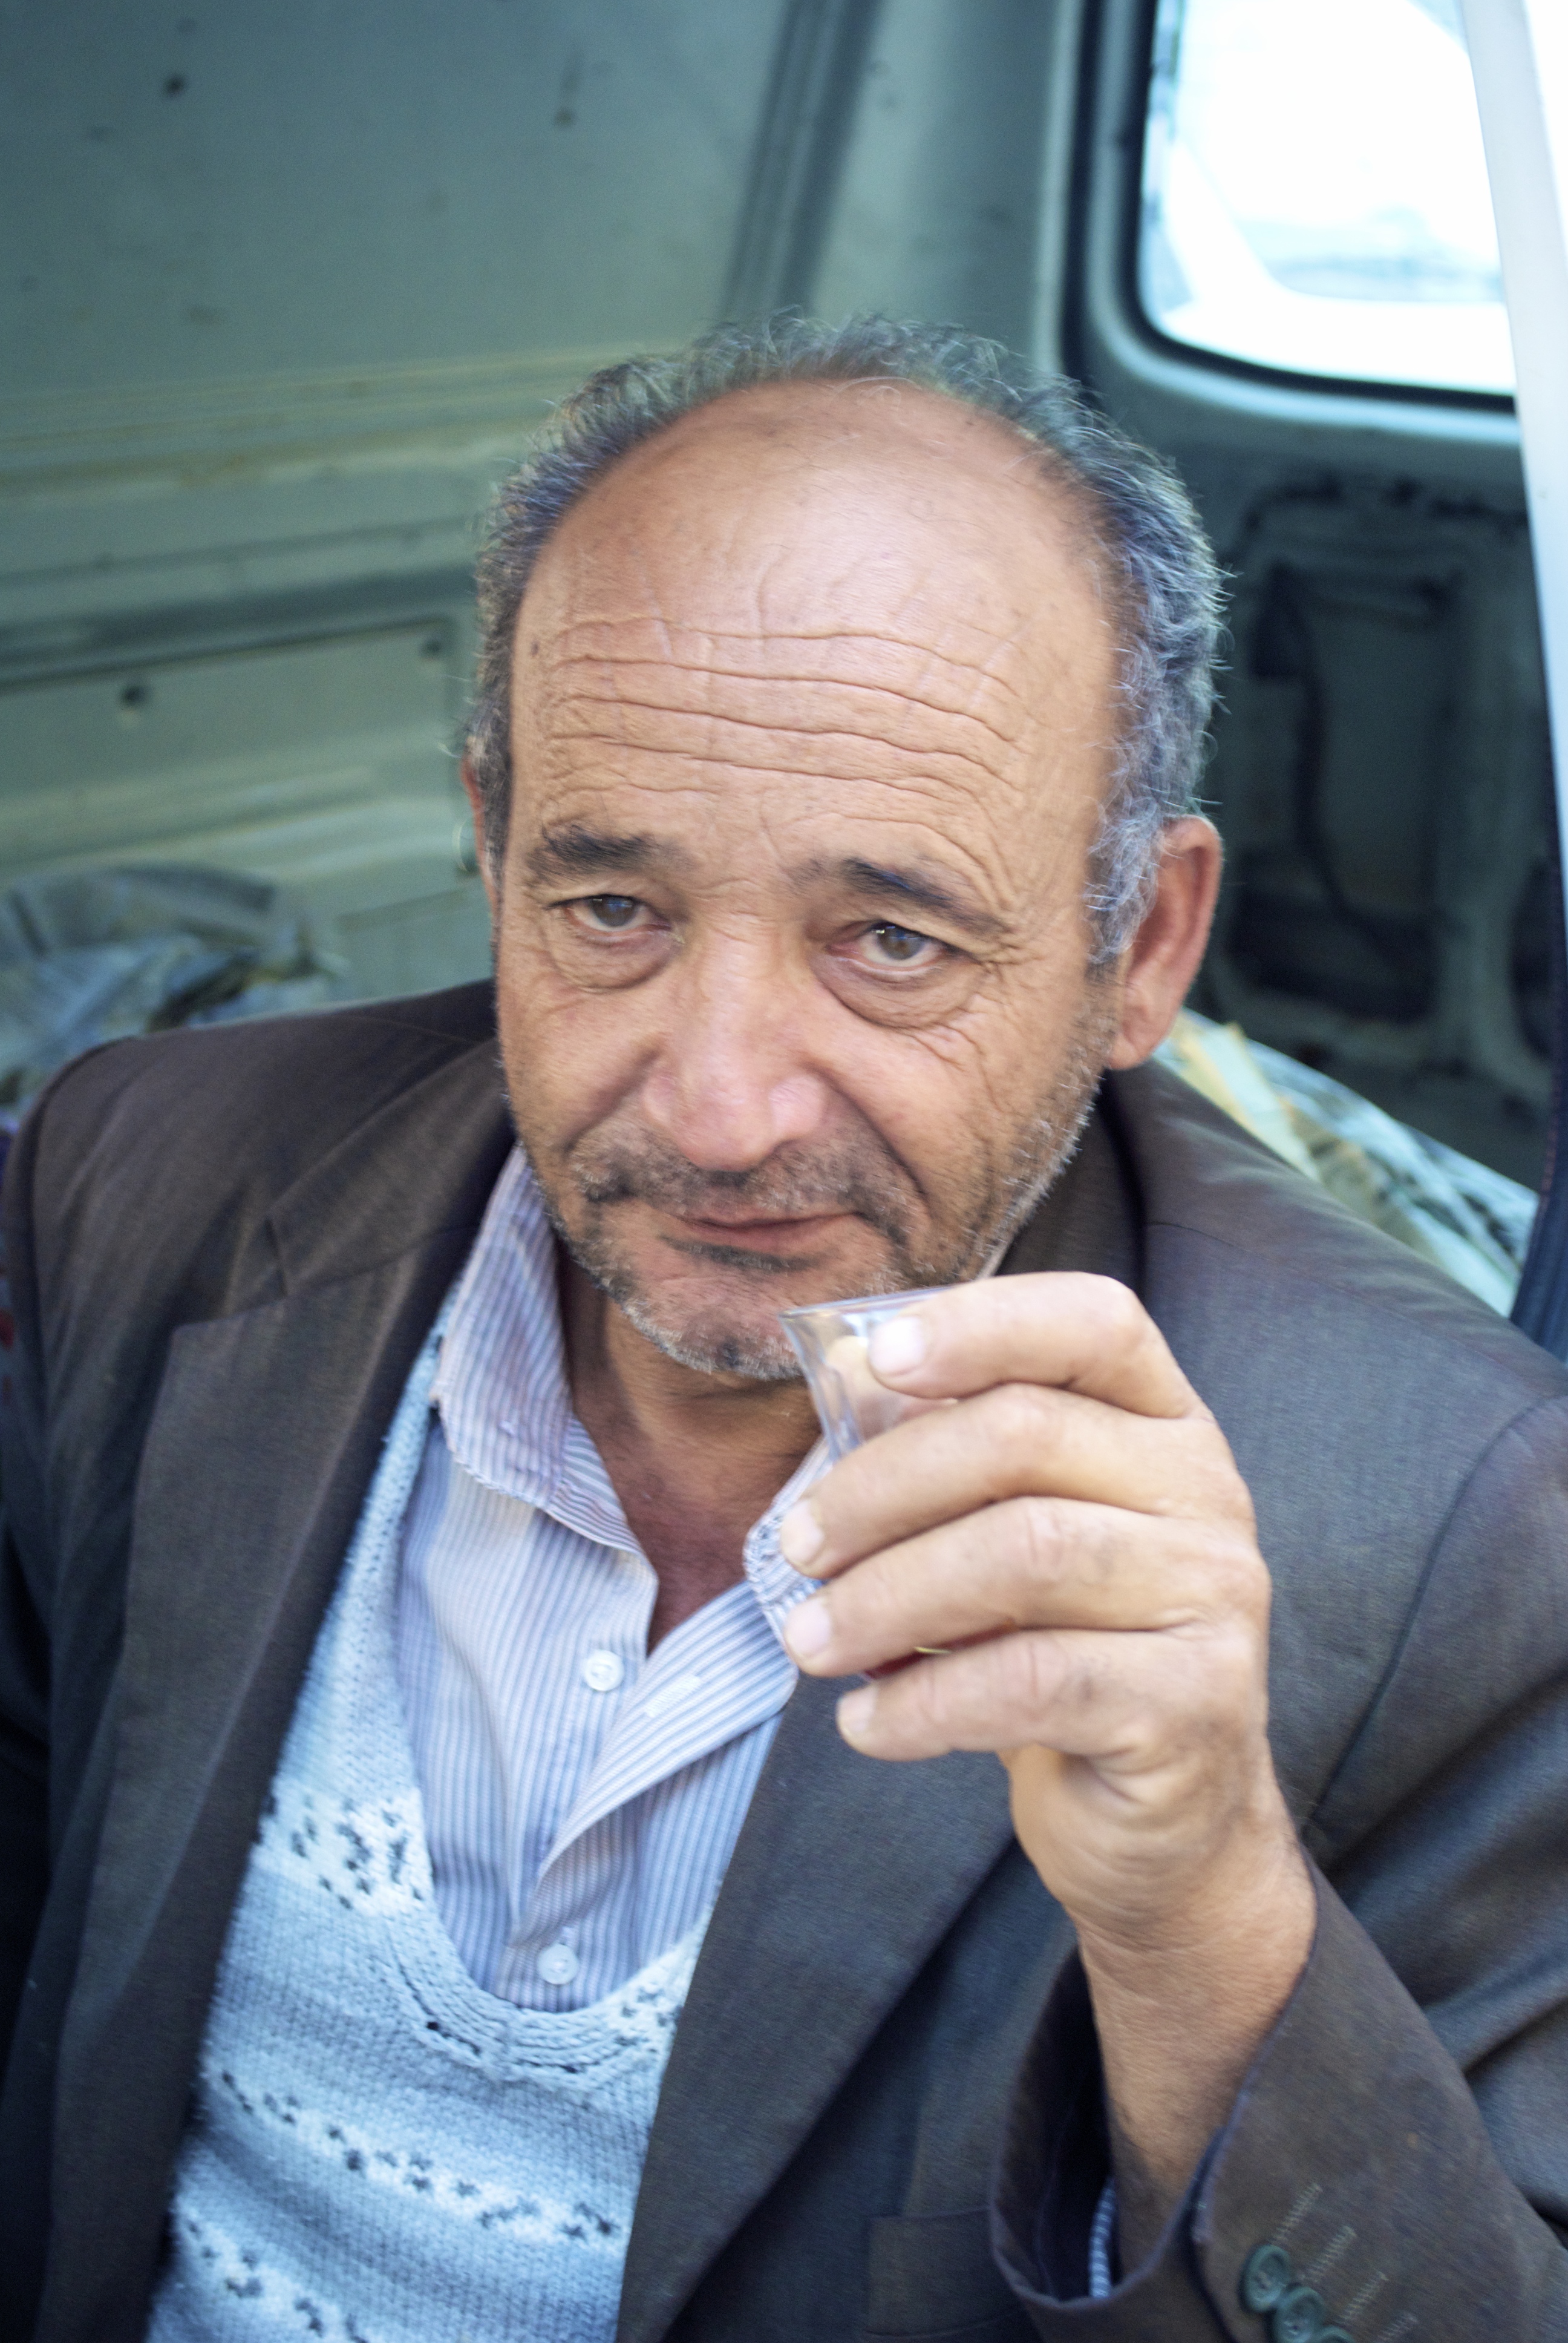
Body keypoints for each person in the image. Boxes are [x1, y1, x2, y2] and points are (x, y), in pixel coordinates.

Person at [2, 316, 1566, 2343]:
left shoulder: (1461, 1525)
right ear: (490, 839)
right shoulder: (146, 1184)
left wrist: (1206, 1919)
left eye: (891, 941)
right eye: (612, 912)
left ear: (1143, 944)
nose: (723, 1107)